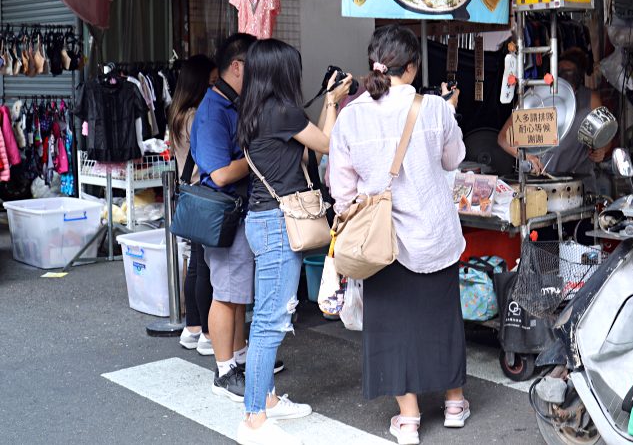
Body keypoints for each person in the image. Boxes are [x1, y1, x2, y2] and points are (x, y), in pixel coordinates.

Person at [329, 25, 468, 445]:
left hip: (382, 239)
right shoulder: (434, 108)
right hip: (434, 235)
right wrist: (450, 110)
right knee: (442, 321)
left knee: (392, 327)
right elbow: (454, 158)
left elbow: (342, 189)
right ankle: (455, 404)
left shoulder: (351, 114)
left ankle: (407, 419)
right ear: (411, 67)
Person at [235, 39, 353, 445]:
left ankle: (266, 400)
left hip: (265, 220)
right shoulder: (281, 112)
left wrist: (329, 101)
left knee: (270, 315)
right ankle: (253, 419)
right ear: (280, 72)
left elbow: (312, 140)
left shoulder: (254, 111)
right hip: (277, 223)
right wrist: (334, 102)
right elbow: (327, 143)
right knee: (269, 322)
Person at [191, 33, 261, 401]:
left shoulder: (228, 104)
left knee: (235, 295)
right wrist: (256, 158)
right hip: (223, 213)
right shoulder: (214, 110)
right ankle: (224, 371)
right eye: (254, 65)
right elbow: (219, 174)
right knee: (226, 295)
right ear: (237, 67)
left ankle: (237, 360)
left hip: (234, 213)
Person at [498, 47, 610, 192]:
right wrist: (526, 155)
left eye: (571, 75)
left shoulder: (590, 100)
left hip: (578, 187)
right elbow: (503, 138)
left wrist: (601, 151)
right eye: (562, 73)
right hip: (535, 184)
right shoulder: (534, 97)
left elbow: (606, 137)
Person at [169, 54, 218, 355]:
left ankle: (193, 328)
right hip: (204, 196)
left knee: (196, 266)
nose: (216, 88)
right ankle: (208, 334)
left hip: (189, 195)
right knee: (204, 266)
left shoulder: (178, 112)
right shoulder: (197, 114)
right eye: (212, 82)